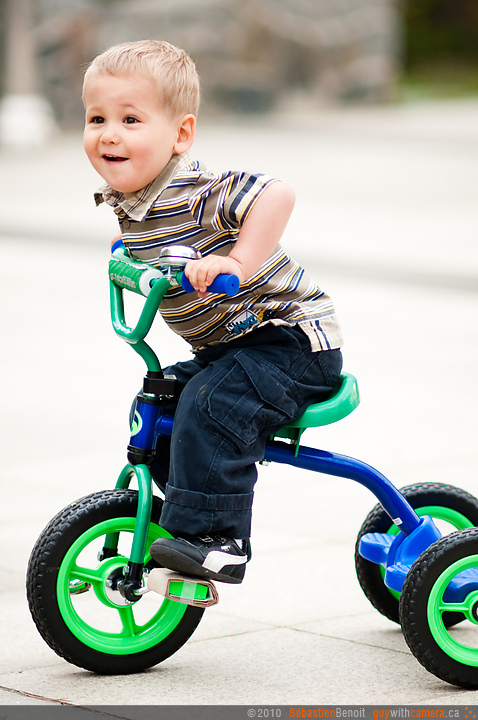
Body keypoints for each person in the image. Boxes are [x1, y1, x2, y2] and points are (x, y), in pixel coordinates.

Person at [83, 39, 343, 585]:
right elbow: (158, 241)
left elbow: (276, 193)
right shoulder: (135, 201)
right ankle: (183, 515)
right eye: (97, 118)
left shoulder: (193, 191)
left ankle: (217, 540)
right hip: (232, 347)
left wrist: (236, 262)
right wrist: (129, 251)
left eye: (130, 119)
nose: (109, 134)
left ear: (180, 135)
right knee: (161, 404)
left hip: (290, 341)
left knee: (210, 403)